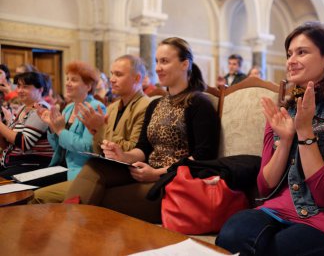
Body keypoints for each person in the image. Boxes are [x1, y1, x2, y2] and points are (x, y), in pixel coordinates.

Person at [216, 22, 324, 256]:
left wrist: (305, 132)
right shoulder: (282, 112)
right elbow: (264, 186)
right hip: (274, 211)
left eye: (302, 52)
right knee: (230, 234)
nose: (290, 61)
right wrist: (286, 139)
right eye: (289, 54)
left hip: (322, 221)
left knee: (277, 250)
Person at [64, 37, 220, 221]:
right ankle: (67, 225)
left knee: (102, 198)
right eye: (157, 61)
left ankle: (67, 227)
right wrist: (124, 156)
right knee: (95, 166)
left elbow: (203, 157)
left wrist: (156, 173)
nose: (158, 68)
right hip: (148, 172)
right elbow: (144, 148)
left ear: (185, 64)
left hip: (175, 181)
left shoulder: (199, 103)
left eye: (165, 61)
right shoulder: (156, 105)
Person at [30, 61, 106, 203]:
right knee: (22, 186)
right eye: (68, 79)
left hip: (80, 171)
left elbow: (88, 148)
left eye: (74, 80)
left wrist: (60, 130)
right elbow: (58, 147)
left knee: (33, 195)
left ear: (88, 86)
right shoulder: (69, 108)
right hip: (61, 166)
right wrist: (52, 128)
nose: (68, 83)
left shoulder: (94, 107)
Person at [76, 54, 150, 153]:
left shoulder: (147, 106)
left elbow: (134, 150)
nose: (112, 79)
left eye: (118, 74)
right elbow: (98, 151)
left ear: (137, 78)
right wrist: (97, 133)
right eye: (112, 74)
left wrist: (101, 129)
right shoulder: (112, 107)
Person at [0, 72, 54, 181]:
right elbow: (7, 145)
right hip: (14, 163)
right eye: (18, 86)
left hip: (32, 166)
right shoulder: (22, 109)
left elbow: (24, 143)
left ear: (40, 89)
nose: (19, 90)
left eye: (25, 87)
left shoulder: (41, 110)